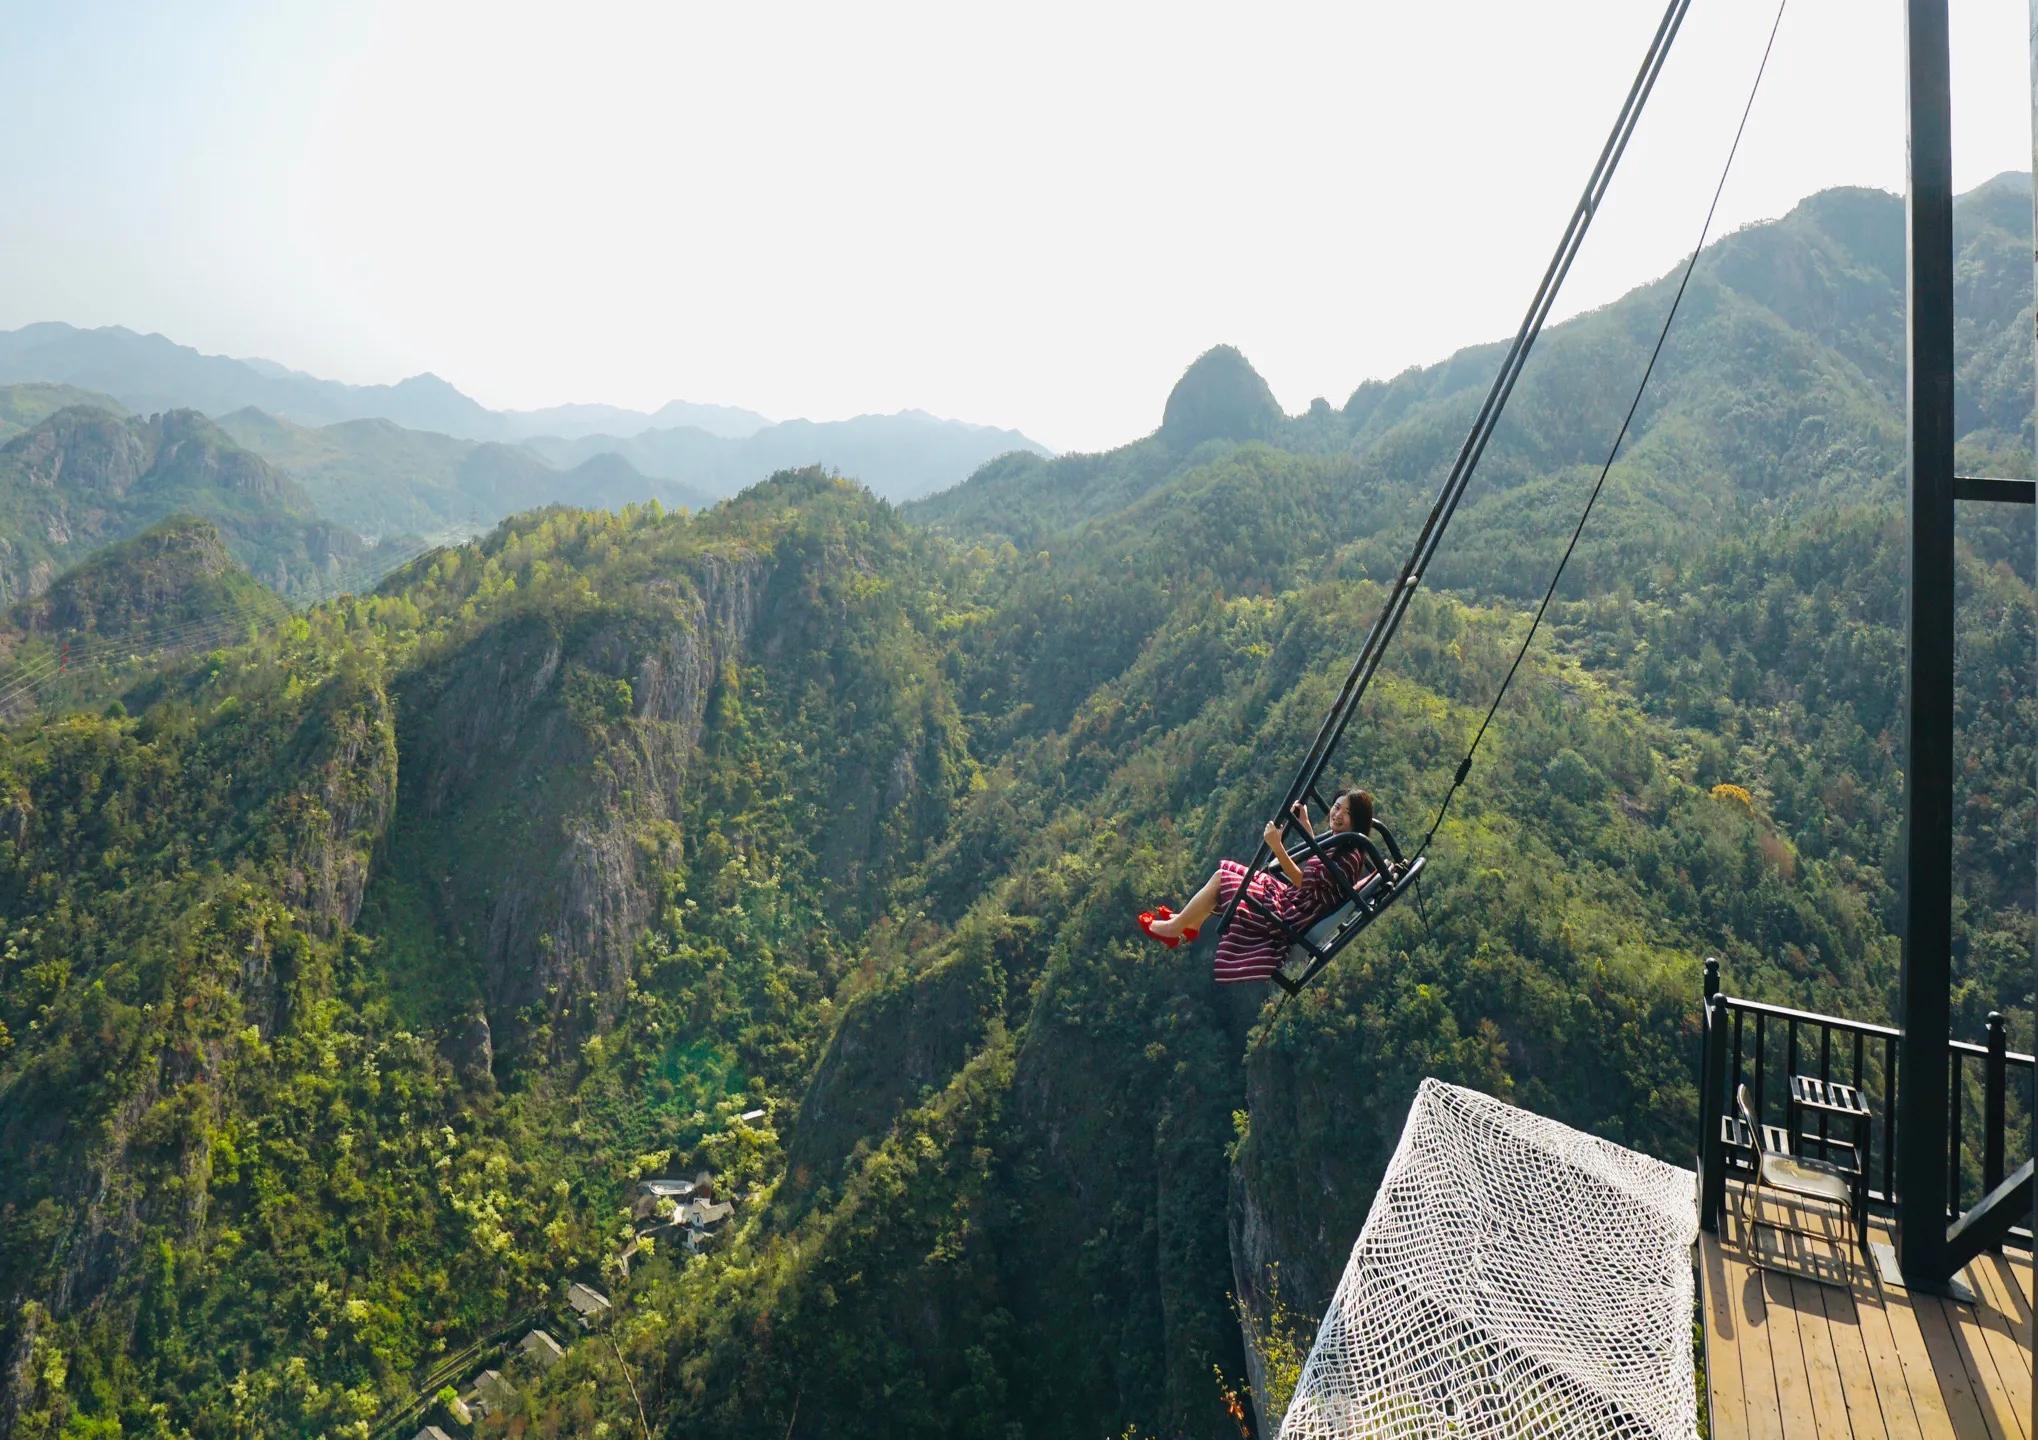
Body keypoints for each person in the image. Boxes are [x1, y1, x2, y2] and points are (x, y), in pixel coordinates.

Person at [1139, 790, 1376, 984]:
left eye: (1347, 813)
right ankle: (1189, 922)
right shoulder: (1344, 845)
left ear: (1358, 821)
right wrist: (1305, 826)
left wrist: (1276, 846)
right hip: (1296, 902)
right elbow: (1320, 869)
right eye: (1336, 807)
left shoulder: (1348, 855)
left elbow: (1304, 881)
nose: (1338, 814)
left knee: (1224, 878)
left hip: (1293, 913)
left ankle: (1175, 928)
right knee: (1229, 873)